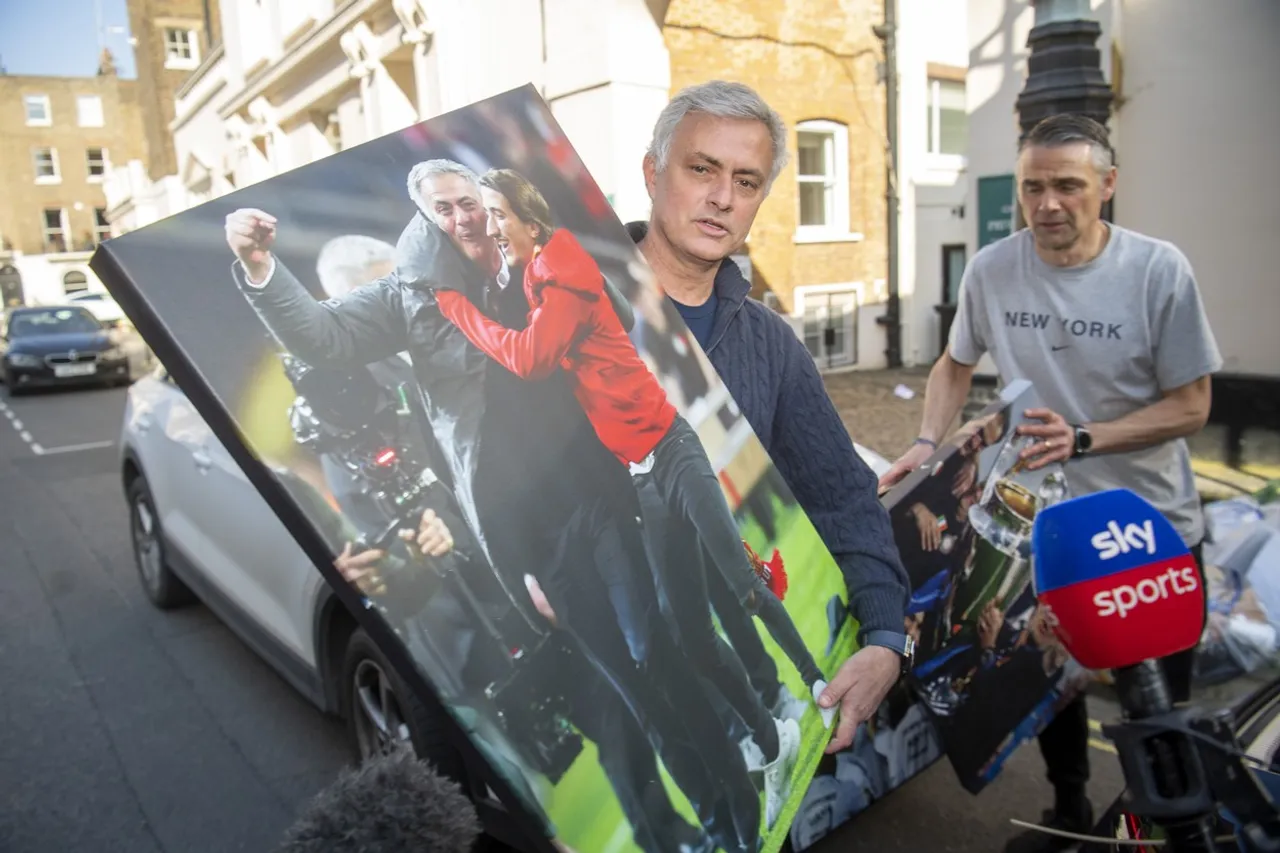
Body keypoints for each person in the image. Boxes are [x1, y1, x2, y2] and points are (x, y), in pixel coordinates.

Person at [223, 159, 761, 852]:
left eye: (467, 203)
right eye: (443, 209)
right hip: (529, 532)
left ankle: (742, 800)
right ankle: (719, 827)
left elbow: (615, 320)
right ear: (425, 219)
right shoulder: (412, 298)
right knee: (631, 689)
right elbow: (322, 337)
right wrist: (260, 266)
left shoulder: (528, 254)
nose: (462, 218)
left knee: (658, 648)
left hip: (595, 483)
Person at [878, 113, 1221, 852]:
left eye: (1068, 184)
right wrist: (927, 441)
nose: (1047, 203)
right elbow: (953, 363)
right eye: (1033, 186)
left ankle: (1159, 831)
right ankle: (1069, 814)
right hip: (1049, 530)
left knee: (1156, 707)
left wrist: (1086, 436)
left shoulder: (1159, 270)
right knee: (1048, 684)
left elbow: (1194, 405)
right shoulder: (994, 269)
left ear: (1108, 185)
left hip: (1145, 528)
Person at [431, 167, 813, 825]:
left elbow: (532, 357)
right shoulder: (523, 277)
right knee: (686, 628)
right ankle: (770, 730)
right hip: (627, 474)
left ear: (525, 216)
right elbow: (615, 319)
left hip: (663, 450)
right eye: (473, 216)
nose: (486, 226)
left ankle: (806, 694)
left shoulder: (560, 264)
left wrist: (460, 311)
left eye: (493, 213)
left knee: (732, 588)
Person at [624, 79, 914, 756]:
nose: (722, 196)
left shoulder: (771, 343)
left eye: (746, 181)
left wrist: (884, 636)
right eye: (702, 168)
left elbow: (843, 494)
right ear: (652, 172)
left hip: (729, 644)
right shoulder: (573, 302)